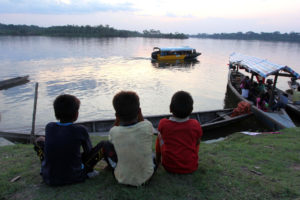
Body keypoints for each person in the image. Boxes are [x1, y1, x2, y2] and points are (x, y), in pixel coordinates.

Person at [34, 94, 116, 186]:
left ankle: (44, 167)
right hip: (76, 176)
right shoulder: (80, 129)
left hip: (48, 178)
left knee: (39, 140)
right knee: (104, 144)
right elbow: (88, 152)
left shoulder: (49, 127)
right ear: (76, 114)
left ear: (56, 113)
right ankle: (104, 168)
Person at [108, 91, 155, 186]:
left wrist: (117, 119)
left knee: (105, 144)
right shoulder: (147, 126)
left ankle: (112, 166)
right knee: (153, 156)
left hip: (122, 178)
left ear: (117, 115)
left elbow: (110, 140)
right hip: (147, 177)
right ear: (139, 111)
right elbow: (143, 122)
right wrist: (140, 114)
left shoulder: (114, 131)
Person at [155, 91, 203, 174]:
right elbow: (197, 142)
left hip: (168, 167)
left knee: (159, 136)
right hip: (191, 167)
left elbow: (160, 141)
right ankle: (191, 158)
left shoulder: (163, 123)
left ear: (170, 108)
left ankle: (158, 160)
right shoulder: (195, 124)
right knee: (197, 140)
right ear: (191, 110)